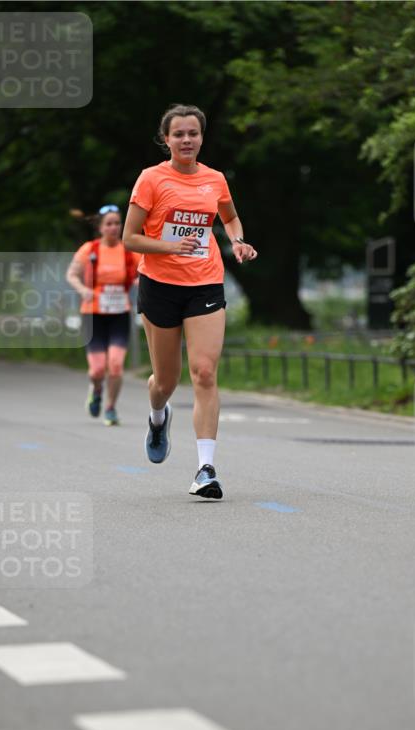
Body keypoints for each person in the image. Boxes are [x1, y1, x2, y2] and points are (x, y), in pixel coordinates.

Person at [122, 103, 257, 500]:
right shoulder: (150, 179)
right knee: (165, 381)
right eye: (178, 134)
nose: (186, 140)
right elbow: (130, 237)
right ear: (166, 139)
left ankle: (205, 469)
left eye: (193, 134)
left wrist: (236, 240)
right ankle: (158, 416)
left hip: (205, 282)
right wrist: (168, 246)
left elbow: (229, 216)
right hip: (160, 285)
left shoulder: (214, 179)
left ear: (202, 138)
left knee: (204, 372)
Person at [66, 205, 140, 425]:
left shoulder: (129, 250)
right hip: (93, 315)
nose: (114, 227)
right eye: (109, 223)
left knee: (116, 365)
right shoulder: (90, 249)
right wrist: (83, 290)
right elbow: (71, 274)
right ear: (100, 227)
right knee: (97, 369)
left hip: (119, 313)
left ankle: (110, 407)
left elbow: (143, 273)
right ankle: (96, 390)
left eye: (117, 223)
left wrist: (137, 281)